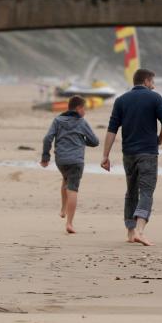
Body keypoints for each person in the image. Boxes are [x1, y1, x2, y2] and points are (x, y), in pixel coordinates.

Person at [101, 68, 162, 246]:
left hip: (129, 153)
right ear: (146, 81)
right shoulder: (155, 98)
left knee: (131, 191)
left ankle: (130, 232)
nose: (153, 86)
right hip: (148, 152)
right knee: (146, 191)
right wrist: (159, 140)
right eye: (152, 82)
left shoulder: (121, 100)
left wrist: (105, 155)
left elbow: (112, 129)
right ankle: (140, 231)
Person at [40, 95, 99, 234]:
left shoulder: (58, 120)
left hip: (61, 160)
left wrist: (45, 156)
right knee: (72, 189)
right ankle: (70, 223)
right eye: (84, 108)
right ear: (78, 108)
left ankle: (63, 209)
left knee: (66, 179)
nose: (85, 111)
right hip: (76, 160)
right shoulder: (81, 122)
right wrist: (83, 141)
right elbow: (95, 141)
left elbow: (48, 138)